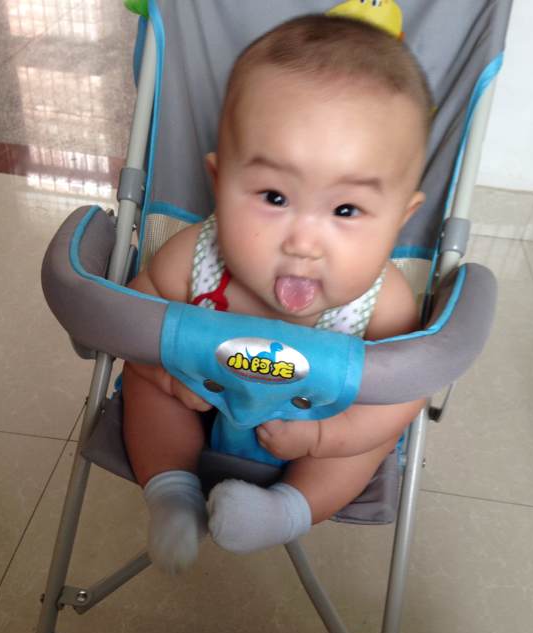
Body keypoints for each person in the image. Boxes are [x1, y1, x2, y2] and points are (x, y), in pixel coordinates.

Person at [122, 14, 433, 573]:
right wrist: (166, 378)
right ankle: (170, 490)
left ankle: (286, 511)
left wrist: (323, 437)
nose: (303, 243)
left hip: (318, 428)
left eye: (346, 210)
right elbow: (131, 324)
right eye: (273, 197)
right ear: (219, 182)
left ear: (400, 219)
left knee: (368, 442)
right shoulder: (197, 258)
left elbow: (401, 396)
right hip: (200, 400)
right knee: (146, 390)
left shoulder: (380, 303)